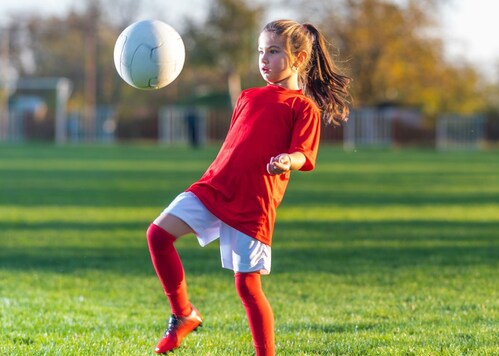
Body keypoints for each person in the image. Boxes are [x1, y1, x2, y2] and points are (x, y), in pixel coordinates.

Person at [146, 19, 351, 355]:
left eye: (273, 51)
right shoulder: (247, 96)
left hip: (254, 203)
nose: (263, 59)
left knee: (247, 286)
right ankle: (182, 314)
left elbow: (304, 154)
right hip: (213, 187)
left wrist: (288, 160)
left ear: (298, 59)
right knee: (157, 234)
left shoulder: (303, 107)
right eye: (260, 51)